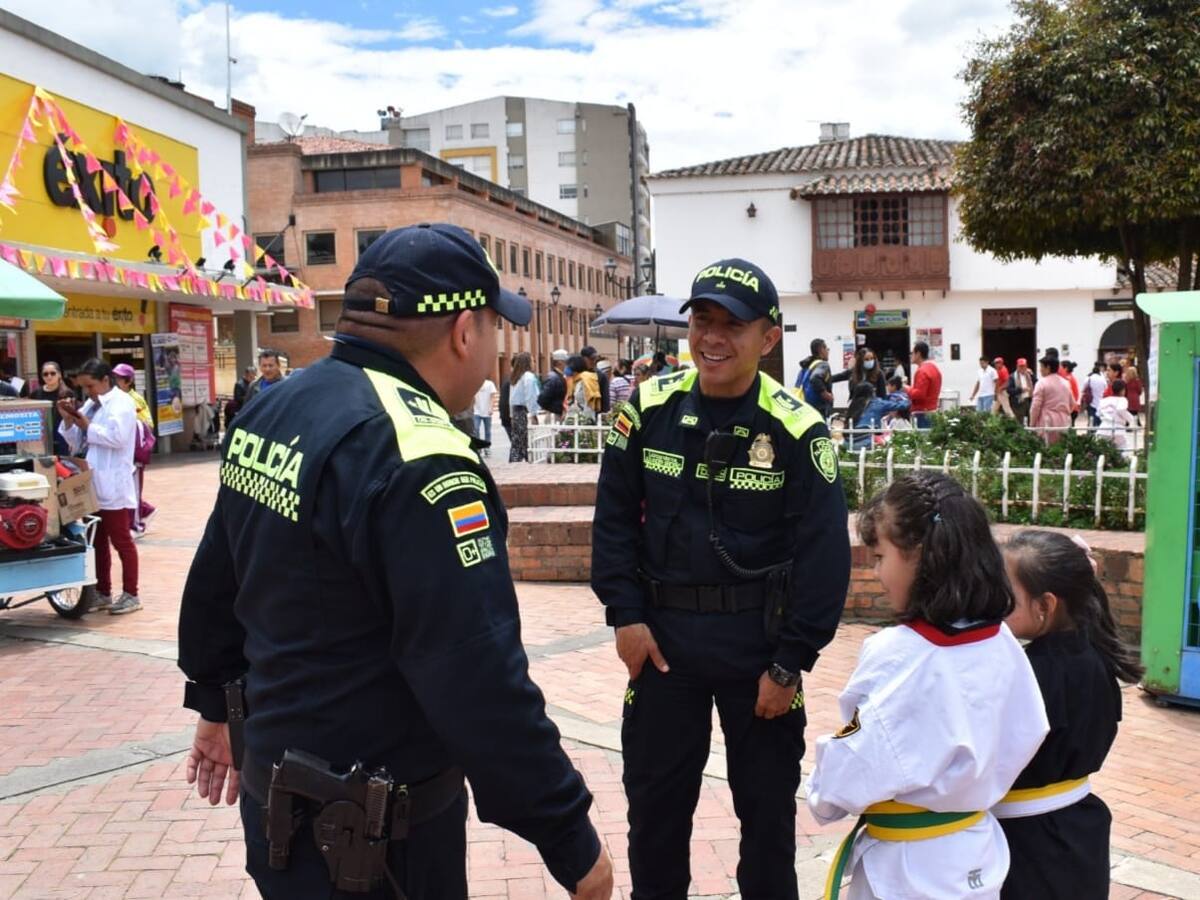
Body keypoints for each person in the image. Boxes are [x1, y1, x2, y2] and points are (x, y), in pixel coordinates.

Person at [177, 223, 612, 900]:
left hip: (276, 810)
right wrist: (569, 837)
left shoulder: (275, 406)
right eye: (494, 327)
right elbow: (475, 676)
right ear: (464, 331)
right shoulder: (422, 455)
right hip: (374, 841)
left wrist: (212, 700)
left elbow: (217, 578)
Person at [592, 256, 851, 900]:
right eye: (702, 320)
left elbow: (825, 557)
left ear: (768, 338)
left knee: (767, 826)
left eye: (732, 325)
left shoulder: (796, 429)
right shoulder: (648, 408)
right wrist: (625, 617)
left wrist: (790, 662)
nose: (712, 338)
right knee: (655, 818)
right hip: (662, 645)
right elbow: (613, 519)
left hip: (759, 652)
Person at [806, 473, 1048, 900]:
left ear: (918, 554)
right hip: (974, 849)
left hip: (907, 869)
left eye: (880, 556)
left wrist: (823, 795)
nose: (877, 572)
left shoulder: (898, 653)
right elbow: (1028, 730)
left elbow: (853, 767)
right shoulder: (1001, 641)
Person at [997, 531, 1142, 899]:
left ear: (1045, 604)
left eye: (1006, 594)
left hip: (1028, 843)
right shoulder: (1096, 658)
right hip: (1079, 831)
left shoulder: (1029, 674)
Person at [57, 359, 141, 615]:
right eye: (84, 387)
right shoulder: (92, 404)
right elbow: (77, 442)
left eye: (91, 386)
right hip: (91, 480)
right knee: (96, 540)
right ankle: (102, 592)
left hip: (113, 482)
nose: (88, 392)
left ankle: (131, 594)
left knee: (121, 540)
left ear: (106, 380)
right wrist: (69, 421)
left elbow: (118, 438)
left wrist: (88, 426)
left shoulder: (122, 403)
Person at [111, 363, 157, 535]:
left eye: (119, 378)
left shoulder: (134, 399)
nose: (115, 382)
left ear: (128, 381)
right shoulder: (115, 399)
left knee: (134, 490)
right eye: (114, 378)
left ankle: (136, 524)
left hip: (133, 453)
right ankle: (145, 511)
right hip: (122, 452)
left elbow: (147, 425)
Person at [30, 361, 73, 455]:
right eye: (45, 374)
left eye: (52, 373)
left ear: (59, 374)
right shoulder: (36, 393)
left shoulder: (67, 393)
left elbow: (72, 416)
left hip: (61, 434)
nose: (49, 376)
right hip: (42, 434)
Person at [1029, 356, 1073, 445]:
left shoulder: (1041, 383)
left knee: (1046, 448)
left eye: (1041, 367)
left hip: (1047, 422)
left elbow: (1035, 407)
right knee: (1061, 448)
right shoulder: (1066, 383)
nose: (1040, 370)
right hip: (1063, 422)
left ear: (1048, 367)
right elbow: (1072, 403)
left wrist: (1032, 424)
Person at [509, 351, 540, 462]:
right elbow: (530, 396)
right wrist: (533, 414)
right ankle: (528, 462)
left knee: (517, 442)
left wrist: (511, 414)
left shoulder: (516, 377)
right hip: (523, 411)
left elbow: (511, 398)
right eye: (532, 361)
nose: (534, 363)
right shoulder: (528, 377)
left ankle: (515, 462)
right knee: (527, 441)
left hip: (516, 411)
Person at [796, 338, 838, 419]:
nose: (828, 351)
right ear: (821, 350)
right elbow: (815, 378)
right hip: (818, 408)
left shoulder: (806, 366)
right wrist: (826, 394)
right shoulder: (823, 364)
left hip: (805, 407)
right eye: (826, 348)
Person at [907, 341, 942, 428]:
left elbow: (919, 394)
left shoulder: (922, 371)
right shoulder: (934, 368)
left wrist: (906, 388)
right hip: (932, 410)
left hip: (922, 413)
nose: (910, 355)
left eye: (912, 353)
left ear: (918, 354)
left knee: (923, 435)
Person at [1098, 379, 1135, 452]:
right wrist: (1131, 419)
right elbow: (1121, 409)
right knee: (1123, 449)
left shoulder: (1105, 400)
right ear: (1123, 390)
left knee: (1102, 450)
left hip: (1103, 428)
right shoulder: (1122, 400)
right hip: (1118, 428)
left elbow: (1099, 412)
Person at [538, 349, 568, 422]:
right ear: (560, 362)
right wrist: (555, 409)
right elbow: (542, 399)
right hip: (554, 415)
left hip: (557, 414)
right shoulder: (553, 378)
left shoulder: (557, 376)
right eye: (566, 362)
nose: (567, 365)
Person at [580, 346, 610, 414]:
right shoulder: (577, 373)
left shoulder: (601, 375)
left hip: (595, 413)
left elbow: (605, 398)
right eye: (591, 359)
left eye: (595, 359)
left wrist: (604, 413)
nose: (593, 361)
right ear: (583, 359)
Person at [472, 376, 497, 457]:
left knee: (487, 431)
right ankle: (479, 447)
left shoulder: (490, 384)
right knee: (476, 429)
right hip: (477, 411)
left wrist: (491, 408)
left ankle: (487, 448)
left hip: (487, 411)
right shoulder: (475, 383)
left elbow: (492, 397)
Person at [1009, 358, 1035, 424]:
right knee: (1019, 421)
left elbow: (1036, 383)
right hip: (1018, 402)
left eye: (1024, 366)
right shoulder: (1012, 376)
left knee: (1031, 419)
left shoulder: (1029, 375)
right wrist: (1021, 390)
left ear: (1026, 366)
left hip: (1029, 400)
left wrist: (1032, 374)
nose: (1022, 368)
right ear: (1017, 366)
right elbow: (1009, 390)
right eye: (1020, 366)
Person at [1061, 360, 1082, 427]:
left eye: (1061, 367)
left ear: (1065, 368)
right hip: (1073, 408)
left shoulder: (1066, 379)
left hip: (1070, 409)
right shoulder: (1071, 377)